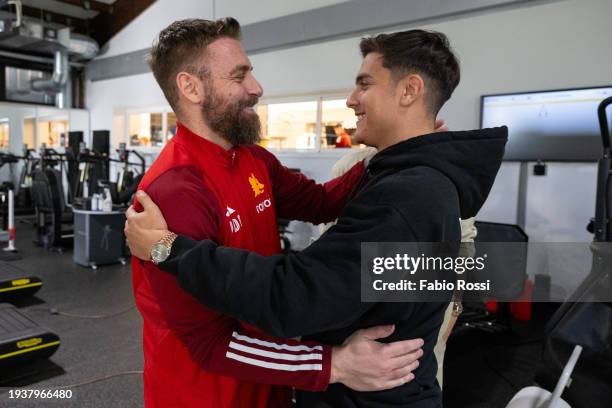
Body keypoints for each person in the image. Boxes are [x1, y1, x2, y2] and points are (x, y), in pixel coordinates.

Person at [126, 29, 508, 406]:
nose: (257, 88)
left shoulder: (253, 160)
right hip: (211, 394)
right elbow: (209, 341)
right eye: (240, 76)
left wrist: (398, 150)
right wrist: (330, 365)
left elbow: (321, 203)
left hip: (273, 379)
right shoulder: (174, 192)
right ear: (191, 88)